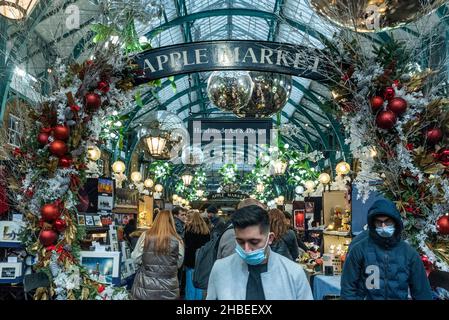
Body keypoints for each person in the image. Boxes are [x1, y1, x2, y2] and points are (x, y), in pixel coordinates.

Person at [206, 205, 313, 300]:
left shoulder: (293, 272)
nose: (247, 249)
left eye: (254, 242)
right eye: (240, 241)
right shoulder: (220, 269)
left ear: (270, 238)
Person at [341, 199, 433, 300]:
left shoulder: (409, 254)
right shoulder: (359, 250)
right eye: (379, 222)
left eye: (387, 221)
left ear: (395, 222)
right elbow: (348, 289)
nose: (383, 226)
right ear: (373, 224)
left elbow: (422, 293)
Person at [131, 210, 184, 300]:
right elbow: (179, 263)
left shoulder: (146, 236)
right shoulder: (178, 239)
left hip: (146, 285)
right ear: (172, 221)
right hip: (169, 287)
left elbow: (135, 258)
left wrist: (146, 262)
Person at [184, 211, 211, 300]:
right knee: (199, 283)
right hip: (201, 259)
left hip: (190, 259)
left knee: (189, 283)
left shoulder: (189, 229)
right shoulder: (206, 230)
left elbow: (187, 244)